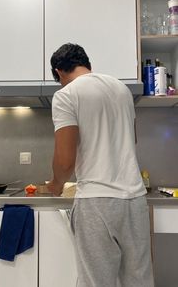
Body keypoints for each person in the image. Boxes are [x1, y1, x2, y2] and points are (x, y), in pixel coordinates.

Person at [47, 43, 154, 287]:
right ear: (87, 65)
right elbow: (132, 139)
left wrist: (56, 184)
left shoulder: (66, 94)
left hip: (96, 201)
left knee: (97, 282)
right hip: (135, 198)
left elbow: (65, 161)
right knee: (139, 280)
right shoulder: (122, 89)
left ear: (59, 72)